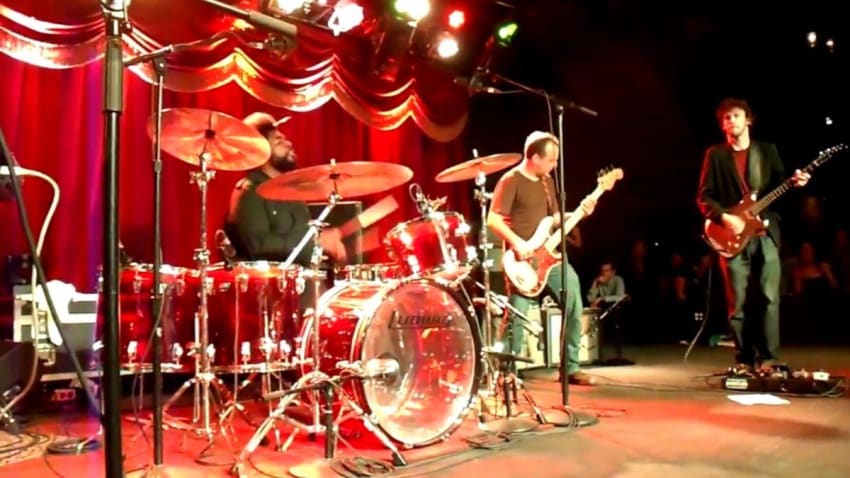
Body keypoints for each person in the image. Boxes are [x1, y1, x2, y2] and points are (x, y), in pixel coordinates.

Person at [697, 98, 810, 371]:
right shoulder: (715, 155)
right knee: (737, 303)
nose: (731, 121)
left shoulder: (766, 151)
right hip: (732, 238)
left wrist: (796, 184)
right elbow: (704, 197)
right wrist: (727, 218)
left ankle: (769, 358)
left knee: (770, 298)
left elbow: (781, 190)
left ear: (748, 119)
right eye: (726, 118)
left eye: (736, 115)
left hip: (765, 233)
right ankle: (744, 359)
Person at [487, 130, 597, 386]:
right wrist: (518, 243)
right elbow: (493, 219)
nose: (555, 165)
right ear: (535, 157)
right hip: (522, 260)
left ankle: (570, 368)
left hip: (551, 256)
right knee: (517, 314)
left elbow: (554, 219)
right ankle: (506, 372)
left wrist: (579, 213)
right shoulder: (510, 180)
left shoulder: (547, 181)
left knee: (573, 301)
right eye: (551, 160)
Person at [224, 112, 346, 266]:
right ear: (262, 150)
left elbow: (303, 241)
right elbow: (258, 246)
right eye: (278, 141)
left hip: (303, 276)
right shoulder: (250, 192)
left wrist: (327, 247)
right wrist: (315, 241)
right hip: (272, 280)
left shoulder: (292, 192)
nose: (288, 144)